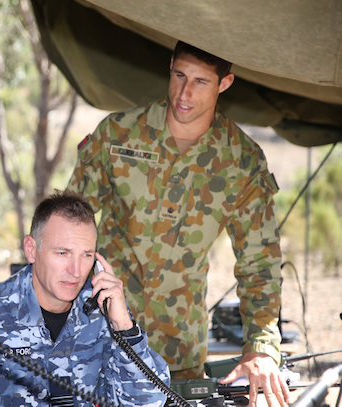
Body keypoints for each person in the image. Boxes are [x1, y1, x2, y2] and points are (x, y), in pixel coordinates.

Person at [66, 41, 290, 407]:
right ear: (169, 67)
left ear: (225, 83)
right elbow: (69, 228)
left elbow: (259, 265)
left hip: (178, 355)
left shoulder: (241, 161)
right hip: (99, 337)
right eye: (179, 75)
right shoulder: (118, 135)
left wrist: (261, 347)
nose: (185, 93)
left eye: (201, 81)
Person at [0, 190, 170, 407]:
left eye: (86, 255)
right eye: (62, 253)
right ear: (31, 249)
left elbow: (148, 401)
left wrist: (124, 327)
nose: (76, 270)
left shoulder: (104, 305)